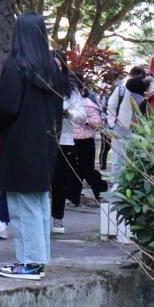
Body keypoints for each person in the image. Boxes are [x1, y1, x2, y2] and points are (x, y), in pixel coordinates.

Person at [0, 13, 65, 281]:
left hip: (19, 145)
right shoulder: (52, 69)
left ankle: (30, 263)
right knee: (39, 202)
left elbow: (5, 106)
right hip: (45, 145)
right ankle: (38, 260)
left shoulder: (17, 65)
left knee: (22, 206)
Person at [50, 68, 89, 235]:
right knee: (40, 182)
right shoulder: (39, 84)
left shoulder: (71, 91)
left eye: (59, 66)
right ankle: (39, 218)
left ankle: (57, 217)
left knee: (59, 181)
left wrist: (68, 113)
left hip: (64, 140)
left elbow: (82, 116)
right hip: (41, 139)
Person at [70, 76, 108, 203]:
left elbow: (97, 122)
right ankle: (73, 197)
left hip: (86, 141)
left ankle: (101, 189)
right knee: (74, 170)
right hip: (72, 140)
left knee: (87, 170)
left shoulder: (88, 104)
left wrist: (85, 121)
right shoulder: (67, 103)